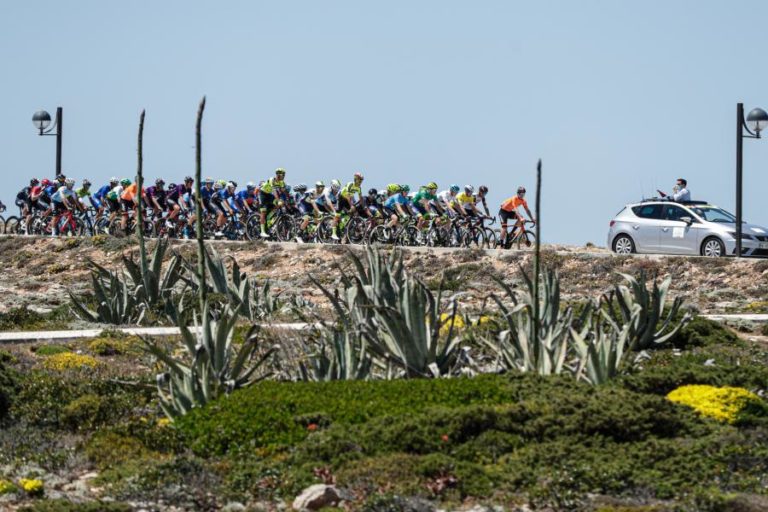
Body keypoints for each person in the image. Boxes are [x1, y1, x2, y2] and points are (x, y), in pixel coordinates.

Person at [258, 168, 287, 238]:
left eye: (284, 175)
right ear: (278, 175)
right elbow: (274, 191)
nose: (284, 176)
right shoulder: (272, 180)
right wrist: (278, 200)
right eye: (283, 175)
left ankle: (268, 219)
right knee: (263, 211)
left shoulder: (282, 182)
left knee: (277, 206)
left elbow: (283, 193)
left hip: (270, 195)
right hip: (263, 194)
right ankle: (262, 232)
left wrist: (284, 200)